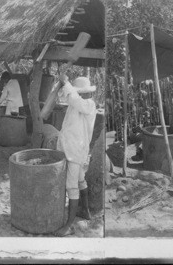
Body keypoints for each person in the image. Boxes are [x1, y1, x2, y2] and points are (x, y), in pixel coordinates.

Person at [54, 75, 97, 237]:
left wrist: (66, 83)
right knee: (80, 180)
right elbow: (67, 97)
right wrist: (63, 84)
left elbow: (74, 98)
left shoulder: (88, 104)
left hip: (76, 151)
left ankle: (69, 225)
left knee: (71, 187)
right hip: (71, 148)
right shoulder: (76, 102)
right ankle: (85, 210)